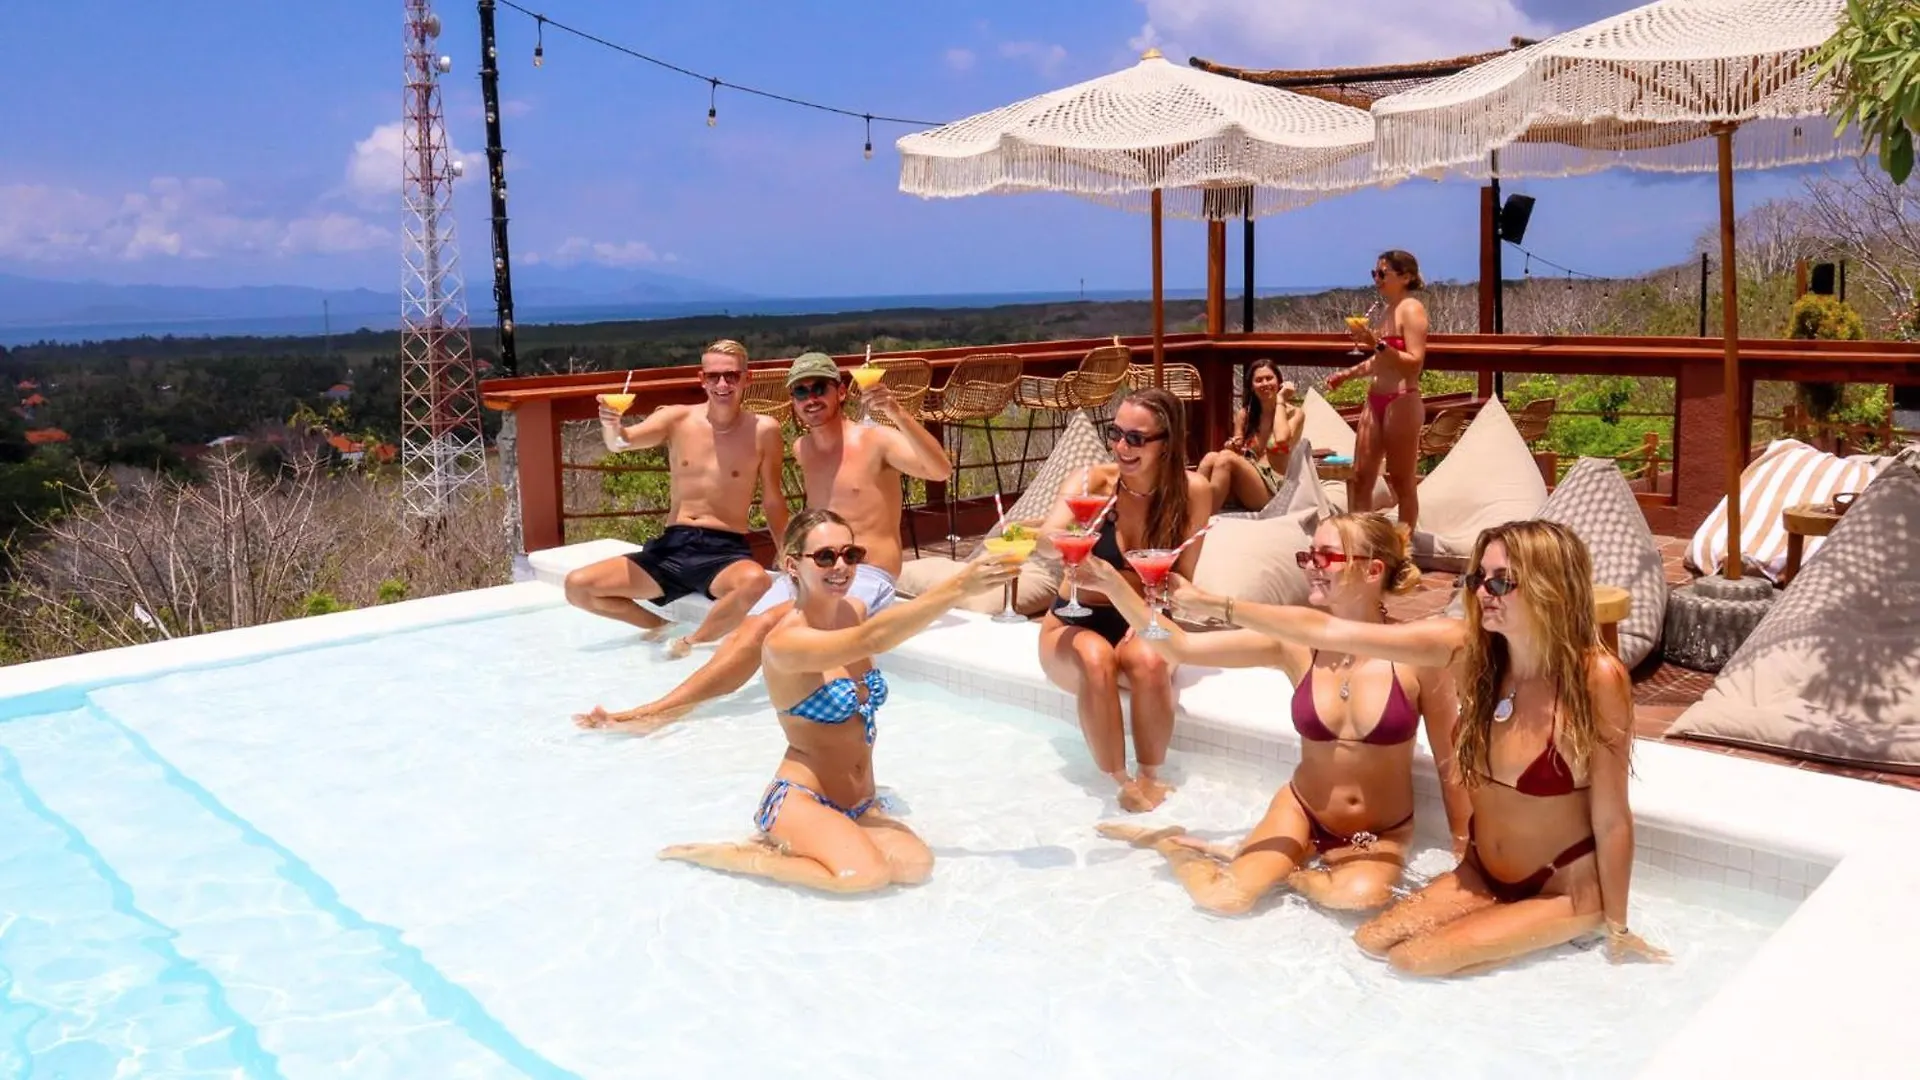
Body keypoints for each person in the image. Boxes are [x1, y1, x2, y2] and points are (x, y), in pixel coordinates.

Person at [1172, 519, 1666, 975]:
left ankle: (1546, 926)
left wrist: (1618, 927)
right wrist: (1214, 605)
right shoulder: (1471, 652)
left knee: (1414, 961)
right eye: (1478, 580)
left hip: (1561, 888)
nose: (1483, 593)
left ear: (1549, 587)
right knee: (1370, 939)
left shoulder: (1594, 679)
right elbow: (1329, 630)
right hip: (1480, 874)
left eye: (1501, 582)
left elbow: (1611, 817)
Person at [1091, 512, 1470, 915]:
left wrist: (1464, 852)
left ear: (1372, 570)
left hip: (1378, 830)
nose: (1311, 567)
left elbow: (1450, 761)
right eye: (1307, 556)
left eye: (1325, 557)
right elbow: (1177, 646)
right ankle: (1176, 846)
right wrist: (1113, 586)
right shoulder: (1294, 645)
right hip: (1302, 811)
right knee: (1225, 900)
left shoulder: (1417, 654)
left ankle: (1289, 871)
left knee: (1358, 900)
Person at [576, 351, 954, 732]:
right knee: (748, 629)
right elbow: (819, 515)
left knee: (766, 628)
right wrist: (790, 553)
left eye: (820, 388)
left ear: (841, 392)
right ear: (793, 401)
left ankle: (654, 714)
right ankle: (672, 707)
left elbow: (940, 470)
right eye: (801, 391)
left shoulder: (877, 440)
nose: (811, 398)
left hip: (863, 572)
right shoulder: (803, 449)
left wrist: (896, 412)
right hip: (812, 568)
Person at [658, 509, 1021, 894]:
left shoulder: (853, 611)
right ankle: (745, 857)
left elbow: (880, 632)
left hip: (862, 803)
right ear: (792, 565)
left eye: (851, 554)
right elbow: (873, 640)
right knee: (862, 876)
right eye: (825, 556)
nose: (841, 566)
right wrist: (959, 587)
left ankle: (840, 832)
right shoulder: (786, 642)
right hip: (804, 798)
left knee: (915, 867)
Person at [1029, 387, 1211, 812]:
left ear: (1167, 443)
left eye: (1136, 438)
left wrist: (1149, 611)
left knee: (1149, 660)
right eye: (1116, 433)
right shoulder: (1091, 483)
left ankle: (1151, 776)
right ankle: (1120, 781)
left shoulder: (1193, 492)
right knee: (1095, 659)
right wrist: (1071, 539)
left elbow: (1181, 580)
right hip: (1073, 619)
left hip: (1144, 614)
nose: (1121, 447)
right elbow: (1043, 541)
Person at [561, 339, 789, 657]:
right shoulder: (677, 419)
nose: (722, 384)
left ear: (746, 378)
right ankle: (661, 628)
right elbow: (621, 443)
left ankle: (689, 643)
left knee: (756, 582)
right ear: (702, 379)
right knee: (577, 586)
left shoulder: (764, 430)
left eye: (732, 376)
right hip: (672, 548)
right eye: (714, 376)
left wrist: (788, 553)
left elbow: (773, 499)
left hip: (723, 552)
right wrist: (611, 425)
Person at [1327, 250, 1428, 534]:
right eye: (1374, 273)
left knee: (1401, 482)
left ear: (1405, 277)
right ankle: (1361, 541)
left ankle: (1403, 545)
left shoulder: (1411, 309)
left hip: (1402, 400)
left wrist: (1376, 342)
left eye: (1383, 273)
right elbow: (1380, 361)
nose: (1377, 279)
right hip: (1375, 399)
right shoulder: (1386, 311)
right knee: (1361, 477)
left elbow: (1414, 363)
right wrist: (1347, 374)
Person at [1195, 360, 1305, 514]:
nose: (1265, 383)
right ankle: (1190, 509)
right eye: (1259, 380)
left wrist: (1280, 400)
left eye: (1269, 378)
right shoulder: (1245, 415)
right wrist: (1233, 445)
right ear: (1252, 386)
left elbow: (1281, 439)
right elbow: (1236, 451)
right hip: (1249, 482)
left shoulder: (1295, 414)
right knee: (1210, 457)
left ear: (1279, 382)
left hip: (1274, 489)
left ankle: (1201, 515)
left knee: (1226, 458)